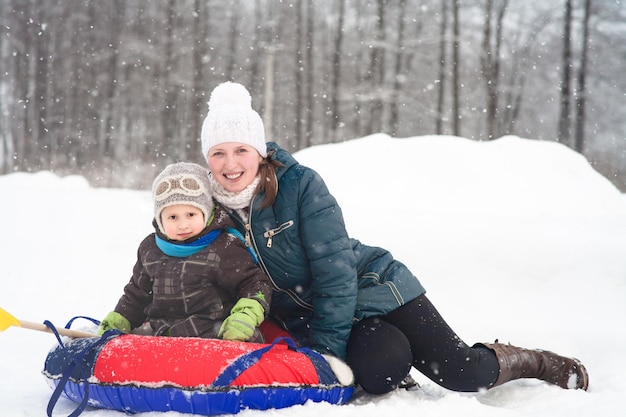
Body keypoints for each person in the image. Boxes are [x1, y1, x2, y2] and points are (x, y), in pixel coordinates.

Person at [198, 81, 589, 395]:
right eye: (218, 153)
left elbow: (334, 274)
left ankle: (537, 361)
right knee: (382, 366)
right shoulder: (207, 213)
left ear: (260, 151)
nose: (230, 164)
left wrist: (326, 356)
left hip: (371, 286)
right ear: (206, 157)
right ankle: (398, 363)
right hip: (319, 319)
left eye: (241, 150)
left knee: (463, 373)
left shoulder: (299, 186)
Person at [98, 162, 271, 343]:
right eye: (173, 217)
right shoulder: (150, 249)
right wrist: (120, 318)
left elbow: (254, 284)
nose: (183, 225)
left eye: (191, 214)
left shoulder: (224, 246)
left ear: (206, 212)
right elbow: (137, 294)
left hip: (214, 336)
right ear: (160, 219)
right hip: (161, 337)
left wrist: (245, 315)